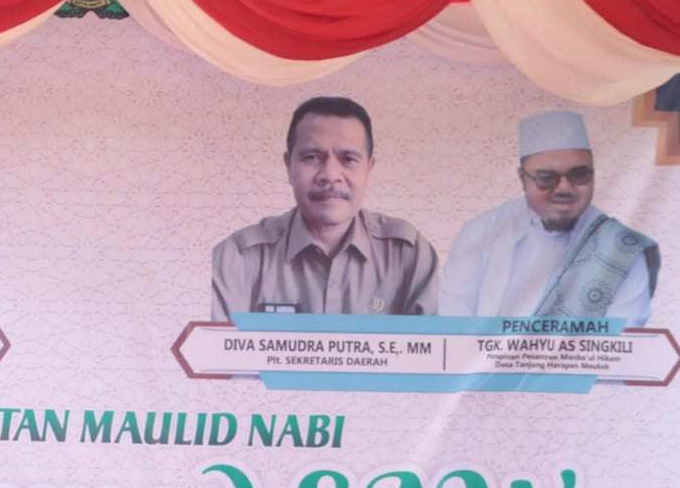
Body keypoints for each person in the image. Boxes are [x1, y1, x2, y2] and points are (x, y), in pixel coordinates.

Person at [211, 97, 439, 319]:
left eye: (348, 159)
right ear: (289, 166)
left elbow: (438, 344)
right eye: (312, 157)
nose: (330, 175)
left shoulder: (409, 254)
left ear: (368, 169)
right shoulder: (238, 258)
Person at [440, 111, 659, 326]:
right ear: (522, 179)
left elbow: (625, 338)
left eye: (579, 174)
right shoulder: (480, 233)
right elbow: (452, 327)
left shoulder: (623, 250)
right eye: (546, 178)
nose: (564, 188)